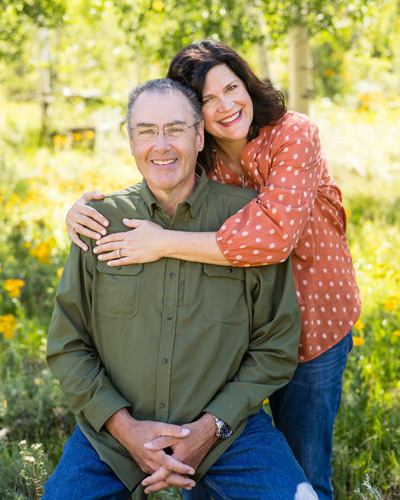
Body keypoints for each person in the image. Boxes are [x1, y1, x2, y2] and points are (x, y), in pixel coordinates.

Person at [66, 41, 361, 500]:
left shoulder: (293, 134)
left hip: (314, 327)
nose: (225, 105)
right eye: (207, 99)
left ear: (248, 84)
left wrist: (163, 243)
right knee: (213, 458)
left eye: (232, 87)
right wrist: (82, 210)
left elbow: (272, 238)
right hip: (238, 338)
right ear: (196, 119)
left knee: (304, 466)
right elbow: (158, 164)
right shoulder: (205, 160)